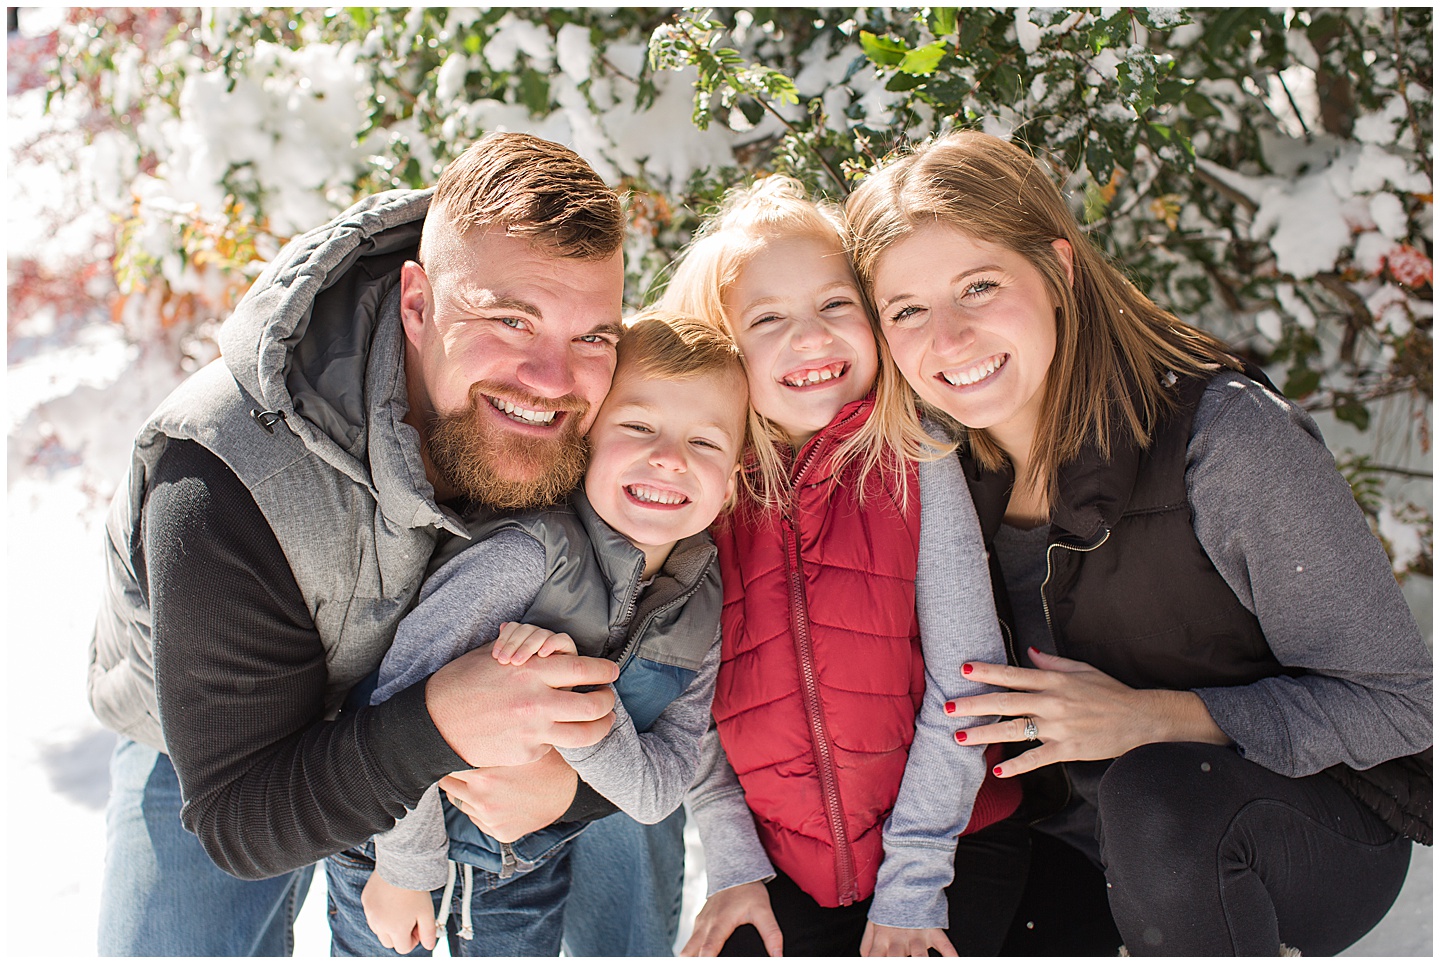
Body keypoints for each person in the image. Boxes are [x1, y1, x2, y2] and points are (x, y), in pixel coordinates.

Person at [845, 128, 1433, 956]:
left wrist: (1150, 719)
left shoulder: (1226, 442)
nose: (947, 340)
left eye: (978, 286)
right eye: (907, 310)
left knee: (1159, 798)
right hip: (1071, 832)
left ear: (1058, 268)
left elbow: (1399, 704)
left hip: (1295, 821)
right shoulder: (932, 474)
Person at [87, 132, 670, 956]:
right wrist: (438, 723)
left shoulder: (609, 424)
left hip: (465, 735)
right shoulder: (224, 476)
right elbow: (238, 818)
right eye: (511, 321)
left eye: (593, 336)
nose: (553, 379)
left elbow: (673, 652)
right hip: (226, 740)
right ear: (419, 304)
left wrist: (572, 788)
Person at [661, 175, 1028, 957]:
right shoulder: (709, 493)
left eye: (835, 305)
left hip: (954, 846)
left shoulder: (914, 457)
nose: (811, 338)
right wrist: (732, 863)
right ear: (725, 350)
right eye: (768, 319)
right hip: (785, 866)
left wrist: (914, 880)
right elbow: (687, 700)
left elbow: (968, 679)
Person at [325, 312, 749, 956]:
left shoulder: (701, 605)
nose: (668, 458)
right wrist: (404, 870)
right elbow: (393, 708)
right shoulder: (528, 555)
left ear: (736, 475)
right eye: (638, 427)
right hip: (387, 844)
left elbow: (658, 792)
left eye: (705, 443)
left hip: (523, 867)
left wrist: (576, 716)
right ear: (588, 439)